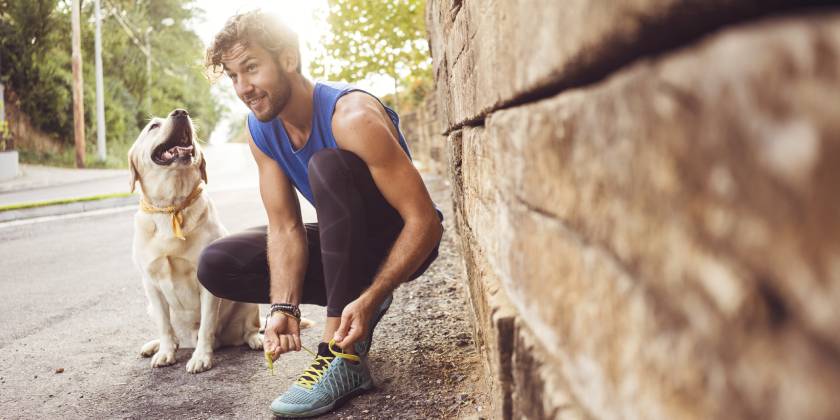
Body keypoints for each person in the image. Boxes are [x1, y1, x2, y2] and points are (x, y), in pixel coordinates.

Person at [197, 10, 443, 418]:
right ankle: (351, 303)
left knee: (327, 165)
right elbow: (285, 227)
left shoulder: (351, 116)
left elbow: (426, 223)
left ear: (288, 59)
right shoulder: (261, 130)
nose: (243, 87)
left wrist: (373, 295)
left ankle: (340, 356)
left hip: (400, 242)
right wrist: (283, 308)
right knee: (217, 264)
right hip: (345, 243)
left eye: (252, 68)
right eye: (233, 76)